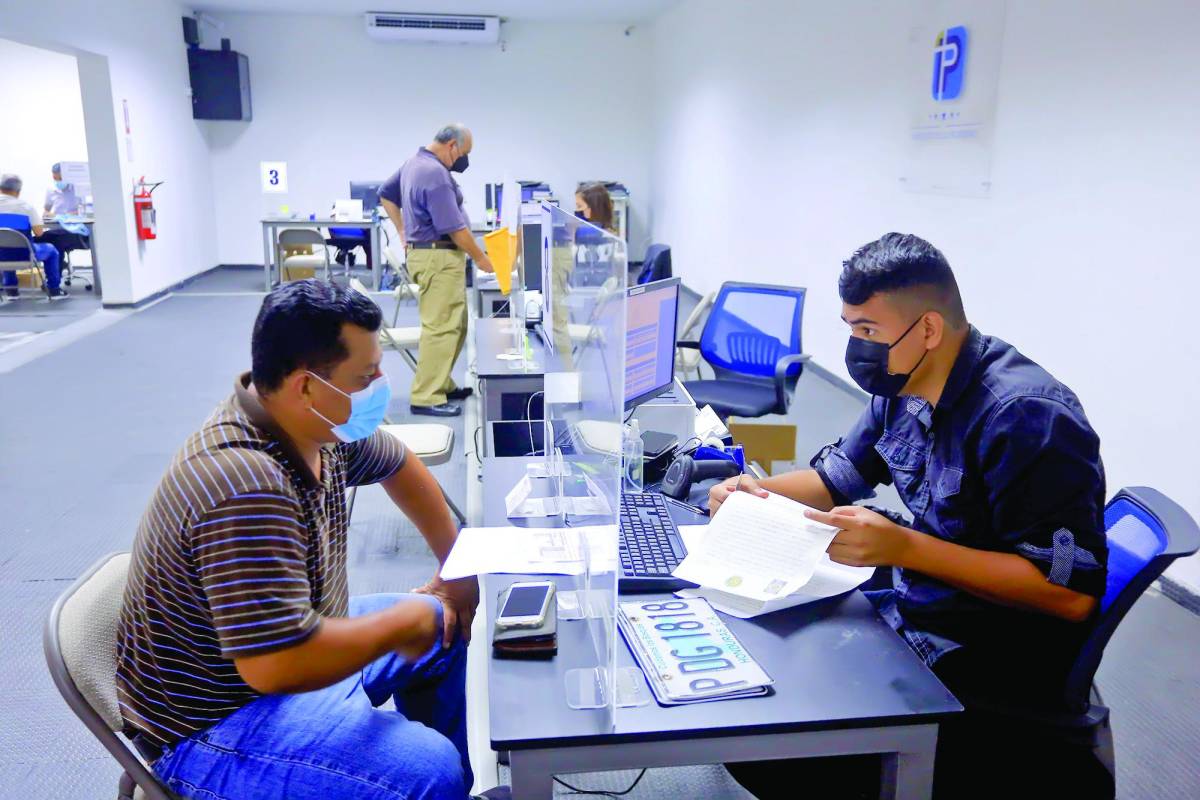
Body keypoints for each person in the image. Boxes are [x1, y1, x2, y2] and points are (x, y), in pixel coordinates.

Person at [712, 233, 1112, 799]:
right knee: (760, 662)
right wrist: (755, 493)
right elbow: (835, 481)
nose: (857, 349)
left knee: (764, 744)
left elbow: (1068, 595)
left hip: (983, 662)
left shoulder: (1024, 418)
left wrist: (903, 548)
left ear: (927, 328)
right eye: (850, 328)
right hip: (918, 607)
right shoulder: (903, 383)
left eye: (869, 332)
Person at [116, 280, 508, 800]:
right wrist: (397, 624)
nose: (378, 386)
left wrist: (454, 567)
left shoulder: (312, 424)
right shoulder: (246, 485)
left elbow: (398, 463)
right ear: (305, 385)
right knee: (428, 768)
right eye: (365, 376)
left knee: (442, 623)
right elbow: (277, 666)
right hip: (215, 727)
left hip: (283, 655)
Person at [378, 123, 494, 418]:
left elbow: (385, 194)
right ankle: (427, 396)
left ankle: (441, 383)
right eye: (464, 153)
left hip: (430, 256)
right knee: (441, 327)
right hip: (438, 258)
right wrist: (482, 259)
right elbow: (455, 229)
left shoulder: (413, 164)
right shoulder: (435, 173)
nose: (463, 161)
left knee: (456, 325)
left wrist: (402, 229)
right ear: (452, 145)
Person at [0, 173, 66, 298]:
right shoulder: (25, 208)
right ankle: (54, 289)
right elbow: (39, 233)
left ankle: (11, 291)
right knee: (52, 250)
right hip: (25, 255)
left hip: (0, 255)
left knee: (5, 247)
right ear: (18, 191)